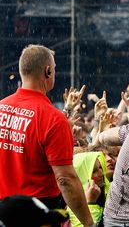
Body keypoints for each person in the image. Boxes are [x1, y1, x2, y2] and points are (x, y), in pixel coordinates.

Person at [0, 44, 94, 227]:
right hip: (37, 215)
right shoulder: (53, 119)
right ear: (48, 71)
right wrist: (89, 223)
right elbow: (65, 179)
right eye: (55, 69)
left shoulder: (1, 107)